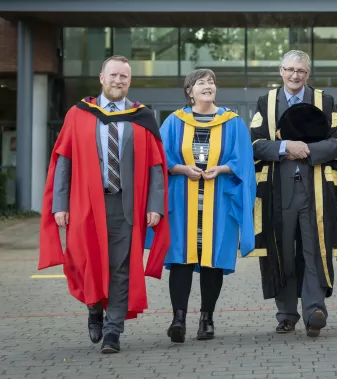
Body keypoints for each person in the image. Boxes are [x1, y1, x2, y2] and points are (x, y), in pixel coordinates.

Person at [39, 55, 170, 353]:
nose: (118, 81)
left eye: (124, 76)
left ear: (129, 81)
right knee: (86, 261)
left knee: (122, 267)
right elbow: (64, 161)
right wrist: (60, 204)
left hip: (126, 205)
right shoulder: (79, 114)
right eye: (113, 75)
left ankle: (113, 329)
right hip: (85, 205)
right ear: (101, 77)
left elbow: (155, 166)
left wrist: (155, 205)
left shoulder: (142, 117)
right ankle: (94, 310)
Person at [145, 69, 256, 343]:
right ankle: (178, 319)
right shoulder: (174, 122)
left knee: (212, 261)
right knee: (181, 259)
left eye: (211, 82)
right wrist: (182, 168)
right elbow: (159, 159)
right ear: (189, 91)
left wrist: (222, 168)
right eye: (201, 82)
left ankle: (207, 319)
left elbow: (244, 161)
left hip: (219, 204)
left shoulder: (233, 122)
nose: (208, 86)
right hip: (183, 203)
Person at [249, 50, 337, 338]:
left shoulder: (324, 101)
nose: (295, 75)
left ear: (308, 73)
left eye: (301, 71)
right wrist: (284, 147)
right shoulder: (266, 103)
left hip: (315, 190)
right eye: (290, 69)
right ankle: (287, 314)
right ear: (281, 70)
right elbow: (254, 144)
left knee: (313, 250)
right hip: (278, 191)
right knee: (282, 253)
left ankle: (315, 311)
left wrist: (308, 150)